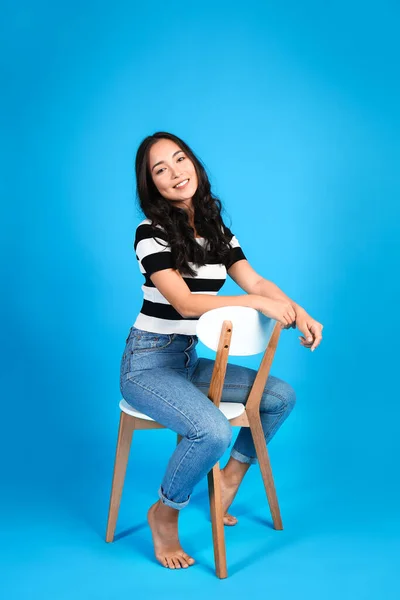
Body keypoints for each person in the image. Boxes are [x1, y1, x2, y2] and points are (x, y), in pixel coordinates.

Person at [120, 131, 323, 570]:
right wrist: (256, 303)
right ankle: (164, 513)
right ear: (151, 184)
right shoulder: (149, 233)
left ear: (194, 163)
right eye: (161, 170)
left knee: (279, 398)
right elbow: (186, 303)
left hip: (187, 361)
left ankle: (228, 482)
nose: (175, 173)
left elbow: (257, 282)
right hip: (148, 363)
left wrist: (299, 311)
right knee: (211, 431)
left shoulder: (216, 230)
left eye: (179, 160)